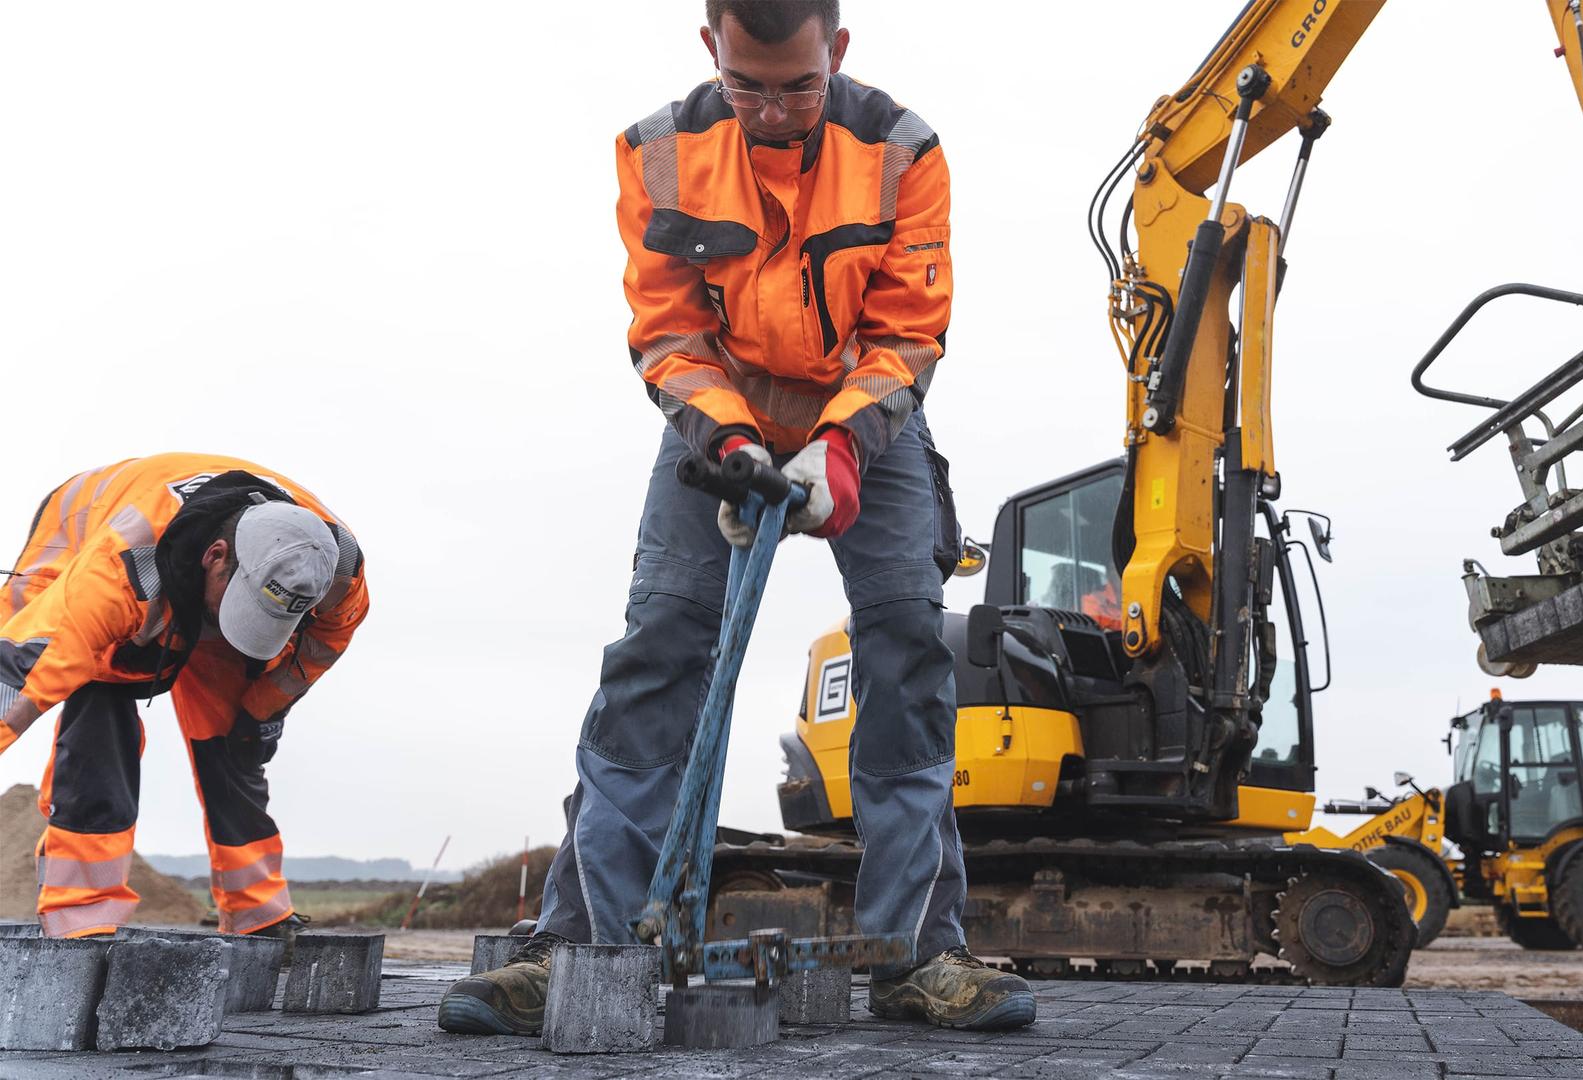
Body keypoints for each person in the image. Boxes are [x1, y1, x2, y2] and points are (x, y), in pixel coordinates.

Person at [439, 0, 1035, 1035]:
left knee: (907, 637)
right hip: (719, 413)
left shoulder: (903, 150)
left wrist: (840, 446)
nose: (771, 111)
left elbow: (907, 330)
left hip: (866, 417)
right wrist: (725, 441)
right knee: (662, 642)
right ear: (710, 46)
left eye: (798, 86)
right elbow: (668, 331)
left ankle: (915, 954)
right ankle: (585, 947)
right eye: (746, 85)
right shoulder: (659, 151)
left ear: (836, 50)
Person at [0, 453, 368, 938]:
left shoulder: (336, 570)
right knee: (101, 707)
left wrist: (259, 713)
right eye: (244, 608)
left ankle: (258, 913)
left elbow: (323, 644)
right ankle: (82, 920)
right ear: (216, 557)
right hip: (76, 535)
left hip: (191, 568)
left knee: (234, 739)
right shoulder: (120, 573)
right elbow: (18, 675)